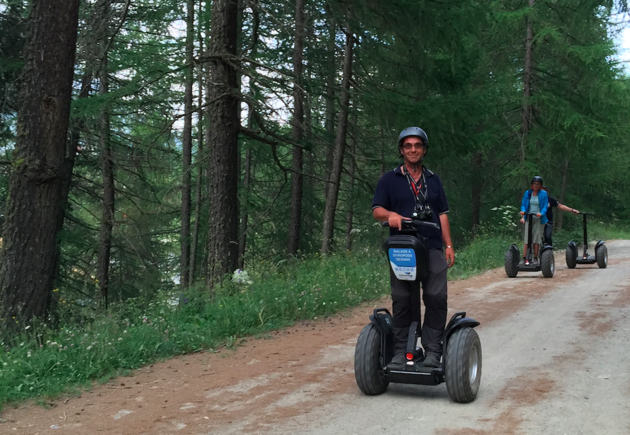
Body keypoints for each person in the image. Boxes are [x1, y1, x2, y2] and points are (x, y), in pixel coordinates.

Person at [372, 127, 455, 368]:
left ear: (424, 149)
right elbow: (377, 211)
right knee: (403, 298)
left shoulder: (433, 179)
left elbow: (442, 214)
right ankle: (401, 350)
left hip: (432, 247)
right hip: (403, 249)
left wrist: (448, 245)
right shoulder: (389, 179)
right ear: (401, 150)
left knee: (435, 295)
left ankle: (432, 349)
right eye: (407, 146)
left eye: (417, 145)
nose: (413, 149)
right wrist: (392, 214)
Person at [519, 176, 548, 265]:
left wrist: (541, 213)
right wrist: (523, 211)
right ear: (532, 185)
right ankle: (524, 258)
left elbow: (545, 206)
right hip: (529, 217)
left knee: (536, 239)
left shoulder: (543, 194)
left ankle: (535, 258)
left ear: (540, 185)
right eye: (534, 184)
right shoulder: (528, 193)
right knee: (527, 239)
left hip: (539, 219)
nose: (536, 186)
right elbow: (524, 204)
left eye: (538, 184)